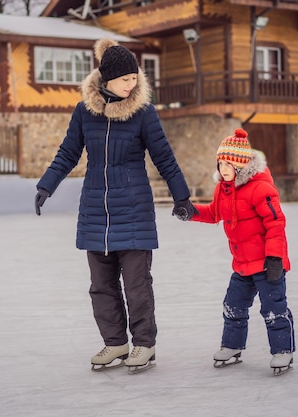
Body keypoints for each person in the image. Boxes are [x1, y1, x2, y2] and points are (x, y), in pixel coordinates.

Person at [34, 38, 196, 374]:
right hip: (95, 212)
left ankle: (144, 345)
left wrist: (182, 197)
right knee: (101, 287)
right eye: (125, 80)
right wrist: (46, 185)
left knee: (137, 286)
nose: (132, 84)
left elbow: (163, 156)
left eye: (135, 78)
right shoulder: (85, 112)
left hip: (134, 211)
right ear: (107, 79)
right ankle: (116, 342)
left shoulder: (143, 113)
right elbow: (68, 153)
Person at [175, 128, 295, 375]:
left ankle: (283, 350)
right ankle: (232, 346)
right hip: (242, 263)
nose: (222, 168)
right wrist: (191, 212)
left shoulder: (261, 189)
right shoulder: (223, 189)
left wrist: (275, 257)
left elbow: (276, 223)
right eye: (220, 163)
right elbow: (214, 213)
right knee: (233, 305)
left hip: (266, 263)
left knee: (274, 308)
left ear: (240, 165)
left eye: (227, 163)